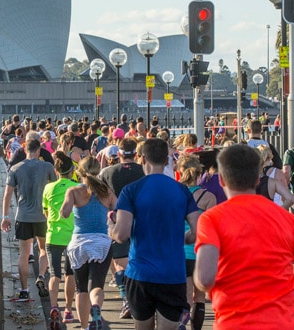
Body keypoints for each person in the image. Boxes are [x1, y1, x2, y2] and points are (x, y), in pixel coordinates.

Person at [194, 144, 294, 329]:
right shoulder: (286, 219)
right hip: (281, 322)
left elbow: (205, 278)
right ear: (257, 179)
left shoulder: (212, 219)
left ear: (222, 180)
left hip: (234, 321)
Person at [110, 138, 199, 330]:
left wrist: (111, 230)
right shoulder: (182, 191)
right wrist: (183, 238)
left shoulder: (131, 191)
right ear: (167, 161)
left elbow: (122, 234)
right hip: (172, 274)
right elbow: (197, 231)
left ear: (142, 159)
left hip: (140, 273)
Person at [61, 156, 117, 330]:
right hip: (101, 242)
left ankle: (85, 326)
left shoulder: (73, 191)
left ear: (79, 172)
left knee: (81, 288)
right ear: (98, 171)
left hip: (79, 243)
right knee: (97, 284)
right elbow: (119, 211)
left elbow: (64, 212)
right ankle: (96, 308)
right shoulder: (107, 192)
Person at [1, 138, 56, 299]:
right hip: (43, 216)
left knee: (24, 254)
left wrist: (5, 216)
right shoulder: (47, 167)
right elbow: (54, 190)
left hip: (23, 216)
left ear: (26, 150)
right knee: (44, 249)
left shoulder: (16, 168)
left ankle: (24, 290)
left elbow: (7, 194)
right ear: (39, 150)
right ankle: (40, 276)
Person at [99, 137, 144, 320]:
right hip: (142, 220)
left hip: (116, 220)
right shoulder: (144, 171)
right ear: (136, 153)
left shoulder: (107, 172)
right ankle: (140, 299)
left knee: (119, 264)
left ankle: (126, 299)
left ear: (118, 154)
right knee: (140, 260)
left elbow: (101, 197)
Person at [176, 154, 216, 330]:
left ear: (180, 171)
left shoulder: (175, 193)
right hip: (201, 253)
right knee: (199, 299)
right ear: (199, 172)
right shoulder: (208, 197)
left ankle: (181, 324)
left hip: (179, 252)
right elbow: (213, 228)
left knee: (185, 298)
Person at [42, 152, 77, 327]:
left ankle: (54, 306)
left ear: (56, 171)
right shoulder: (78, 187)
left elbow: (45, 211)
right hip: (72, 236)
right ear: (72, 171)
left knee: (54, 274)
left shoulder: (48, 188)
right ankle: (69, 309)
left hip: (53, 235)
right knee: (70, 274)